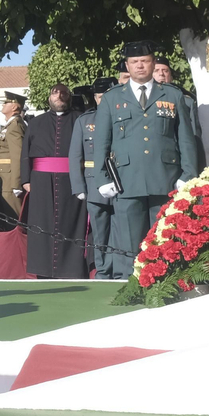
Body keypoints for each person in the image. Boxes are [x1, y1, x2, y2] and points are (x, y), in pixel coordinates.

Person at [94, 41, 200, 269]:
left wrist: (188, 174)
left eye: (144, 61)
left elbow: (186, 140)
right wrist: (103, 179)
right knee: (129, 248)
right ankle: (129, 290)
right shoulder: (112, 99)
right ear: (127, 65)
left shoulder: (172, 95)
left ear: (153, 63)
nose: (140, 66)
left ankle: (166, 289)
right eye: (134, 62)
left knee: (166, 243)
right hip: (126, 182)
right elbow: (101, 143)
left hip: (166, 180)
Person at [21, 84, 88, 278]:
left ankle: (71, 269)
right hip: (40, 182)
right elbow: (25, 152)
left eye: (63, 93)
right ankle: (43, 270)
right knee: (42, 227)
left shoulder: (80, 120)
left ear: (69, 97)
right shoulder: (35, 122)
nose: (59, 96)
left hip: (72, 180)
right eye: (54, 93)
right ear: (49, 98)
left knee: (71, 225)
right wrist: (25, 178)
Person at [68, 80, 119, 277]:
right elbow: (75, 155)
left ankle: (122, 268)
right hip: (93, 183)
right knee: (100, 232)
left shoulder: (123, 117)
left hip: (122, 182)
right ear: (95, 99)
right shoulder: (84, 121)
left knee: (123, 230)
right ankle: (104, 270)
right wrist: (78, 186)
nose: (103, 100)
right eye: (99, 97)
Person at [154, 55, 206, 169]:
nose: (161, 74)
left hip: (178, 161)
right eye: (156, 70)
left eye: (165, 71)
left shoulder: (186, 101)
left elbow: (195, 137)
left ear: (171, 76)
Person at [0, 91, 25, 216]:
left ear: (14, 107)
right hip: (3, 179)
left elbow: (17, 155)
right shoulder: (10, 125)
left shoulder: (15, 125)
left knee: (13, 219)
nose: (3, 105)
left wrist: (16, 184)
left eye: (6, 102)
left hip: (9, 181)